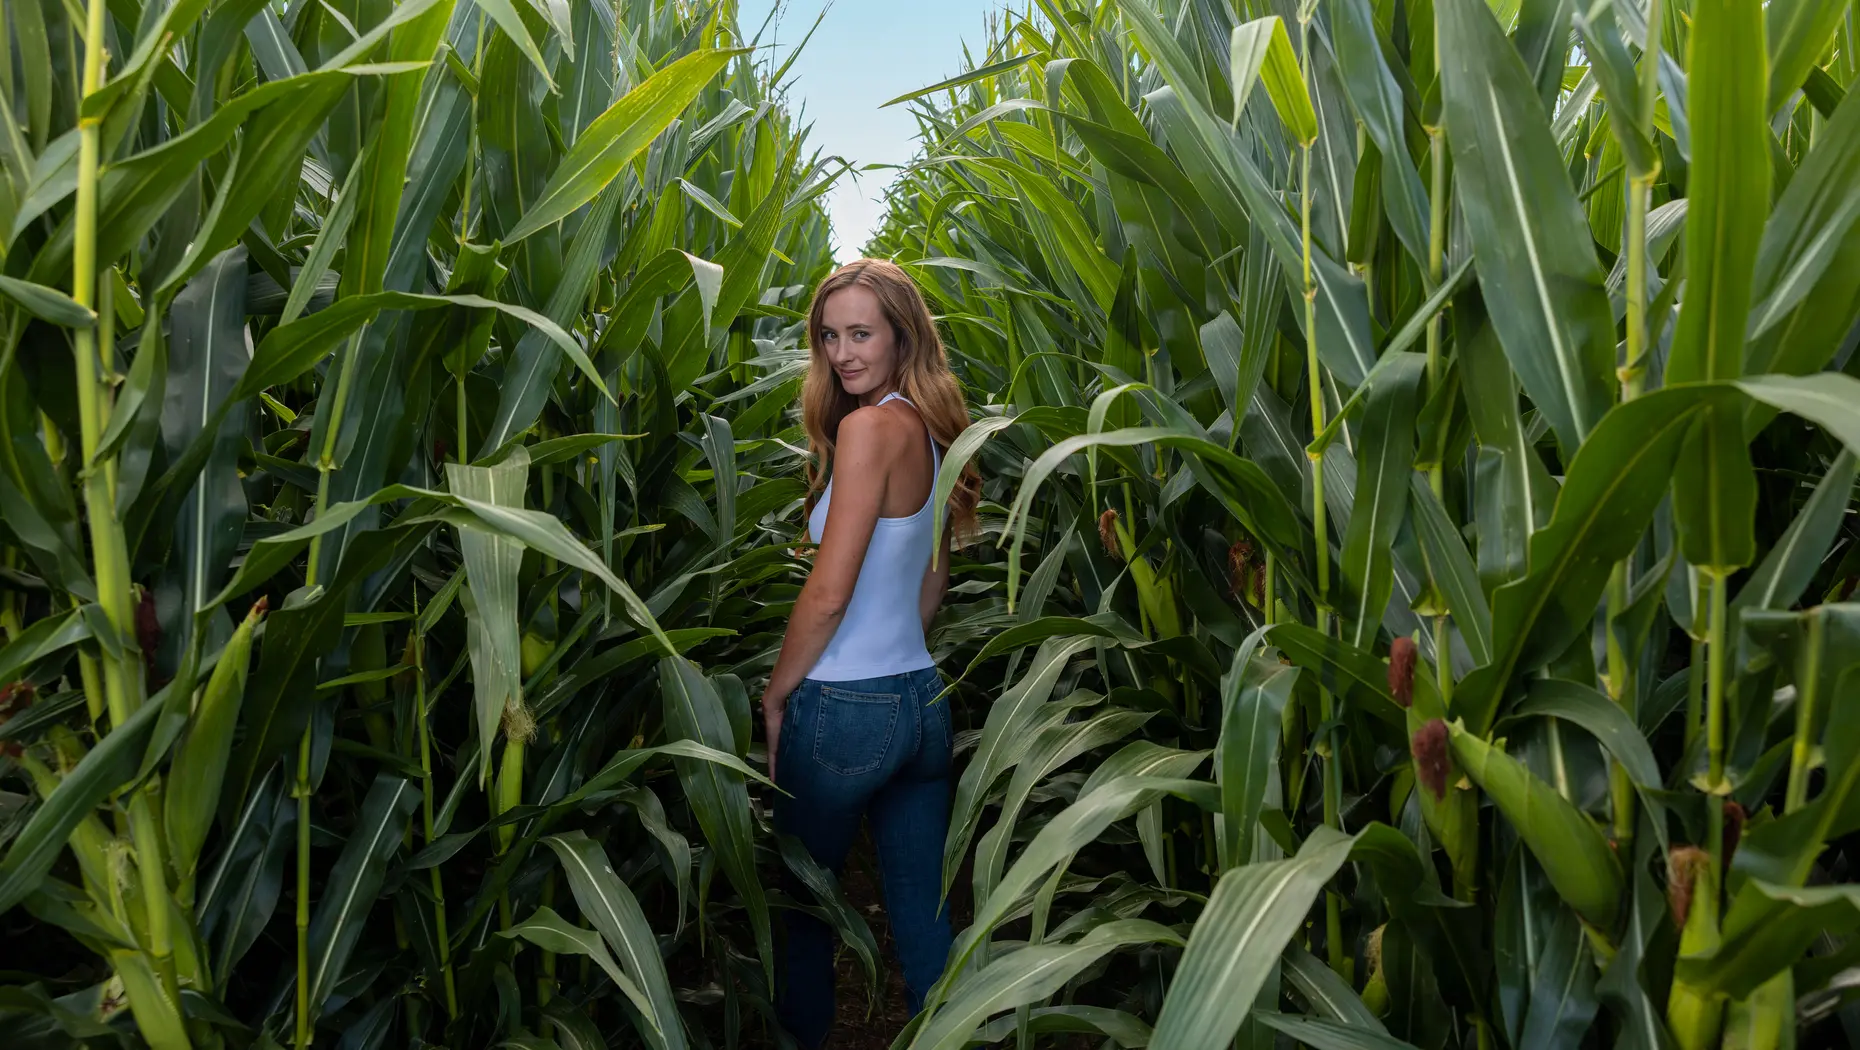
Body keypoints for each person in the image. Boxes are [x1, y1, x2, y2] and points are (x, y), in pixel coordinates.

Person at [760, 258, 981, 1048]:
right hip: (921, 700)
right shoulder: (929, 429)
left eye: (861, 333)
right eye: (829, 336)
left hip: (844, 708)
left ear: (901, 335)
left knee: (806, 908)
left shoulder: (863, 430)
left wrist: (780, 696)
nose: (843, 353)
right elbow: (932, 582)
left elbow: (827, 593)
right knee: (924, 914)